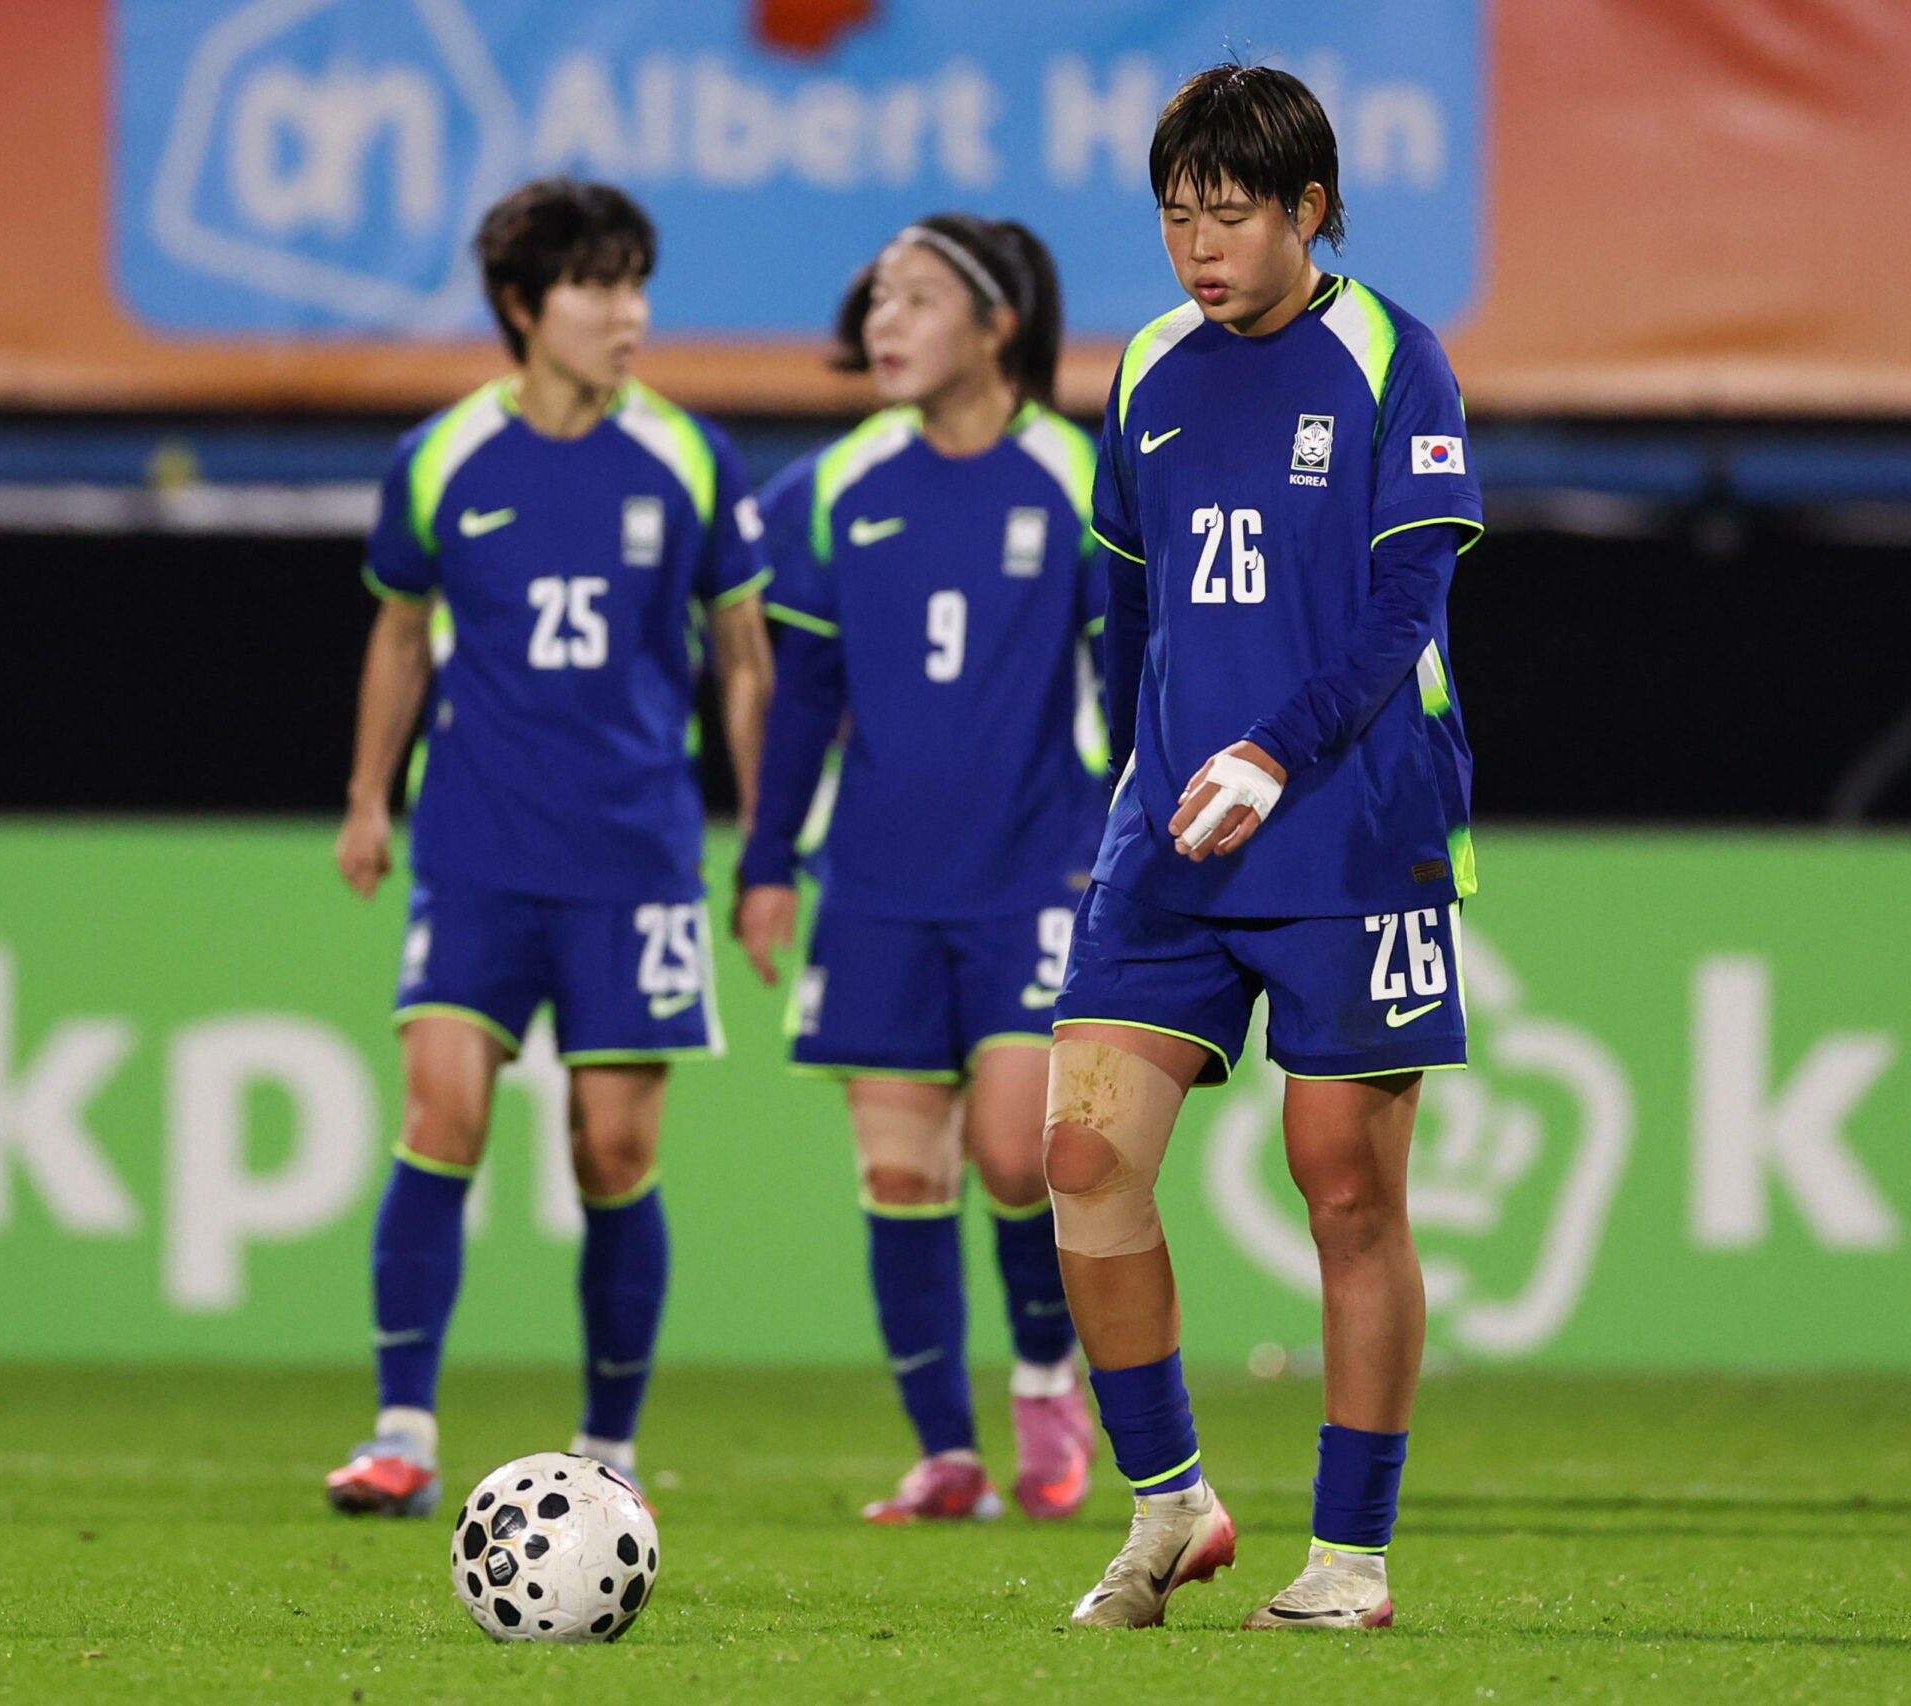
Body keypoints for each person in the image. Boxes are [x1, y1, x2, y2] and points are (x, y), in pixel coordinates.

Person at [1047, 65, 1483, 1629]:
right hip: (1172, 838)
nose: (1197, 247)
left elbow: (1400, 616)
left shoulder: (1389, 357)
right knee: (1082, 1159)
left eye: (1228, 214)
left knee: (1342, 1187)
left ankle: (1351, 1559)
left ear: (1309, 209)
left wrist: (1265, 751)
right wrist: (1129, 776)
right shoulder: (1149, 367)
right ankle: (1171, 1507)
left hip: (1355, 829)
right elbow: (1125, 599)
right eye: (1175, 214)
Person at [324, 178, 773, 1516]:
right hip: (473, 847)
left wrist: (761, 846)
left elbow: (746, 662)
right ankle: (403, 1428)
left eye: (638, 284)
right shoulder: (441, 458)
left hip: (635, 855)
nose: (629, 312)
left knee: (613, 1152)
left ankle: (611, 1447)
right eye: (598, 287)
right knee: (440, 1111)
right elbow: (399, 633)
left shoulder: (690, 459)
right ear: (526, 306)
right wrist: (366, 794)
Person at [735, 214, 1109, 1525]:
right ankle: (947, 1453)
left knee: (1020, 1152)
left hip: (1035, 871)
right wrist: (770, 858)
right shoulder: (834, 487)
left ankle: (1049, 1376)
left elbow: (1128, 685)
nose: (885, 323)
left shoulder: (1079, 475)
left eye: (920, 297)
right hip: (879, 880)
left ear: (998, 325)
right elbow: (799, 694)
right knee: (901, 1173)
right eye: (877, 300)